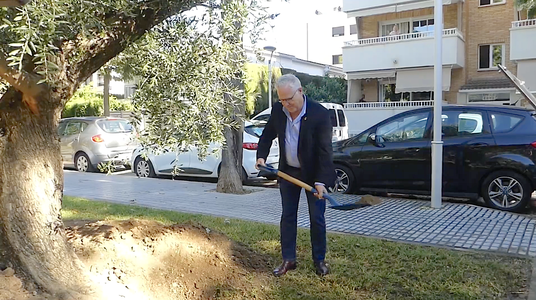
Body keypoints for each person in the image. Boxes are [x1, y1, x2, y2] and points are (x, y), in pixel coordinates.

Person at [255, 74, 336, 277]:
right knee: (288, 216)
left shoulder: (320, 114)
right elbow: (267, 134)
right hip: (288, 171)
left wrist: (321, 181)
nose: (286, 104)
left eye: (289, 99)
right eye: (282, 100)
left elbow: (325, 151)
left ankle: (319, 260)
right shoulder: (278, 110)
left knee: (317, 218)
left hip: (313, 174)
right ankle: (288, 259)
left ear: (300, 91)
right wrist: (261, 156)